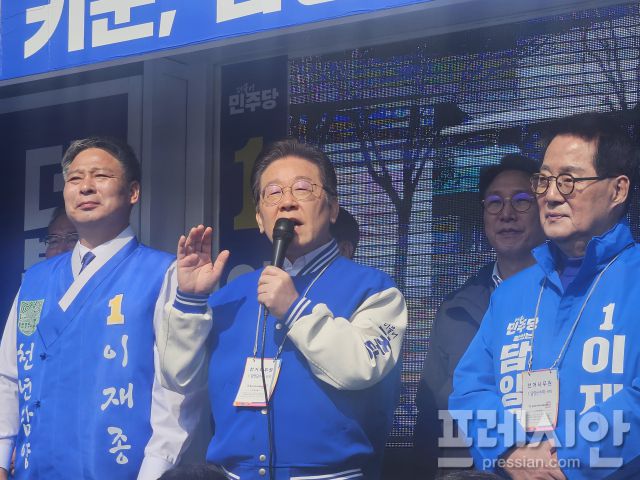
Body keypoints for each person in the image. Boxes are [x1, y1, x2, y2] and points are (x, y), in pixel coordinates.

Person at [158, 139, 407, 479]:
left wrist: (294, 310)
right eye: (273, 193)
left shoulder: (374, 289)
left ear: (333, 208)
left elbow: (360, 367)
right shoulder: (232, 295)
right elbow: (179, 377)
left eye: (303, 188)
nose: (287, 202)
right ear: (260, 219)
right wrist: (190, 300)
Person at [449, 113, 640, 479]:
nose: (551, 195)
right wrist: (510, 450)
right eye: (544, 180)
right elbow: (472, 387)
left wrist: (564, 460)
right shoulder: (512, 294)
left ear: (617, 190)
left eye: (569, 181)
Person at [0, 137, 203, 479]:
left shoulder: (164, 273)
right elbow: (9, 376)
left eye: (100, 176)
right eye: (75, 178)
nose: (86, 187)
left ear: (133, 192)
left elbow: (177, 393)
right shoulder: (34, 280)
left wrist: (154, 474)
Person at [414, 154, 545, 476]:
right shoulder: (455, 308)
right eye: (495, 203)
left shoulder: (576, 296)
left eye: (522, 201)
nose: (506, 214)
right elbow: (431, 416)